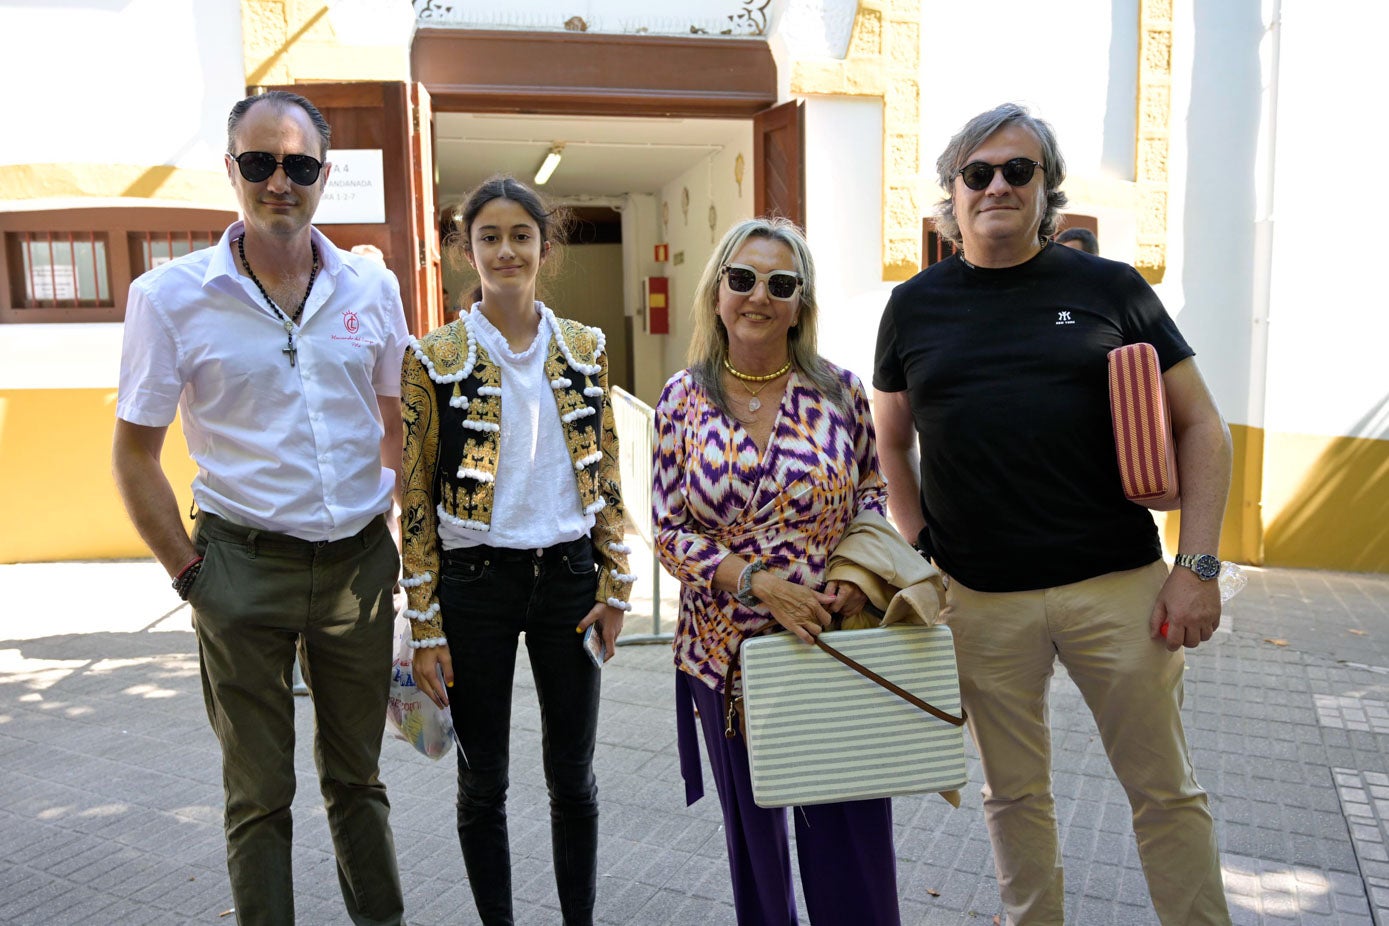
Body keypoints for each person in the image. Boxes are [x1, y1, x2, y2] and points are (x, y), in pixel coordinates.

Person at [872, 102, 1233, 925]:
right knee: (1012, 796)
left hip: (1118, 589)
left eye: (1017, 171)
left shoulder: (1107, 288)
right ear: (951, 194)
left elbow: (1201, 426)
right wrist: (922, 543)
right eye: (977, 173)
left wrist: (1197, 567)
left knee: (1164, 792)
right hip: (982, 601)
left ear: (1045, 190)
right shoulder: (914, 306)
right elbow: (889, 443)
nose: (996, 185)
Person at [112, 90, 408, 925]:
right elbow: (134, 453)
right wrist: (191, 575)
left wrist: (400, 554)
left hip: (357, 572)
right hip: (239, 571)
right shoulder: (169, 297)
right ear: (234, 169)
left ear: (325, 174)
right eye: (260, 163)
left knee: (358, 782)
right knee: (258, 796)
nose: (281, 182)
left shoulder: (371, 286)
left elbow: (396, 429)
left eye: (300, 165)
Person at [653, 217, 901, 926]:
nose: (757, 296)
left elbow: (870, 494)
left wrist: (856, 576)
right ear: (717, 290)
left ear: (801, 303)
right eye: (741, 278)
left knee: (849, 836)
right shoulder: (680, 399)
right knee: (757, 849)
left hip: (831, 643)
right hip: (726, 657)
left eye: (779, 283)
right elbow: (668, 531)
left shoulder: (840, 392)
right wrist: (758, 582)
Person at [401, 175, 633, 926]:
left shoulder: (586, 349)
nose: (506, 250)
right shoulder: (432, 356)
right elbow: (413, 498)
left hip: (568, 578)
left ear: (544, 247)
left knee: (575, 778)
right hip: (474, 586)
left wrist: (616, 584)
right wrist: (425, 627)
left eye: (521, 235)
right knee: (482, 784)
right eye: (489, 237)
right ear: (466, 251)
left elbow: (608, 471)